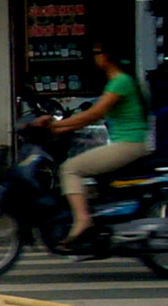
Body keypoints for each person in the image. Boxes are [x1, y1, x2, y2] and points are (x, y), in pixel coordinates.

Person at [38, 40, 154, 248]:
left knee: (70, 169)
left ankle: (83, 220)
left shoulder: (120, 82)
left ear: (107, 56)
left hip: (129, 144)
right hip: (127, 142)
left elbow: (94, 114)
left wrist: (57, 126)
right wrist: (57, 129)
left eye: (96, 52)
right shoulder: (117, 82)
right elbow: (90, 117)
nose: (94, 56)